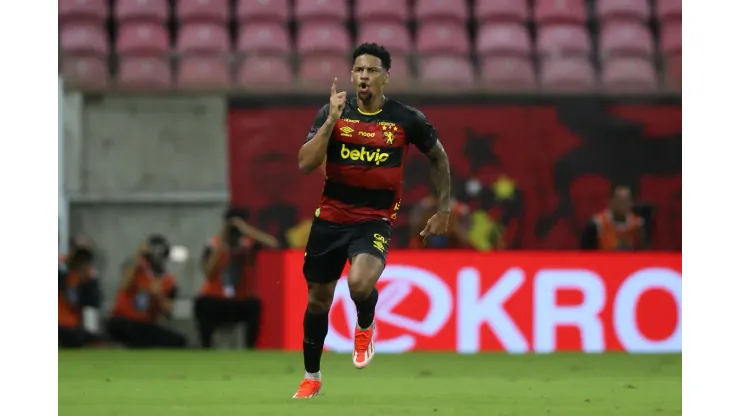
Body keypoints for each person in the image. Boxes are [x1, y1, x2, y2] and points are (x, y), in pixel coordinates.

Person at [293, 43, 452, 398]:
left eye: (371, 70)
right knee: (318, 301)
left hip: (374, 220)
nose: (363, 76)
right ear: (352, 75)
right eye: (358, 70)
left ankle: (366, 322)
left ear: (386, 78)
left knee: (360, 285)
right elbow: (305, 164)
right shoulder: (333, 112)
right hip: (330, 218)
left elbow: (439, 158)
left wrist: (443, 210)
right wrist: (331, 121)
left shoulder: (406, 118)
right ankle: (312, 377)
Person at [194, 207, 279, 349]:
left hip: (240, 299)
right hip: (216, 299)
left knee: (255, 304)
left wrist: (247, 231)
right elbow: (208, 273)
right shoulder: (213, 244)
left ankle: (250, 348)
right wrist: (222, 242)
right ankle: (206, 347)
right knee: (202, 303)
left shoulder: (249, 244)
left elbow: (275, 245)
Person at [107, 235, 187, 348]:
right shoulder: (134, 268)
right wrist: (138, 257)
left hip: (145, 324)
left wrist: (159, 295)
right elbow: (124, 286)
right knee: (129, 329)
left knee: (178, 341)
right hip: (123, 320)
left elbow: (168, 312)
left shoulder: (169, 281)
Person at [58, 238, 102, 348]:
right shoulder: (61, 272)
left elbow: (94, 303)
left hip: (72, 326)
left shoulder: (87, 281)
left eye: (84, 259)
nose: (80, 262)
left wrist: (89, 283)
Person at [580, 185, 648, 250]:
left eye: (626, 201)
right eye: (620, 200)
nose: (623, 204)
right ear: (611, 202)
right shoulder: (597, 224)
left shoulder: (638, 224)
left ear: (631, 203)